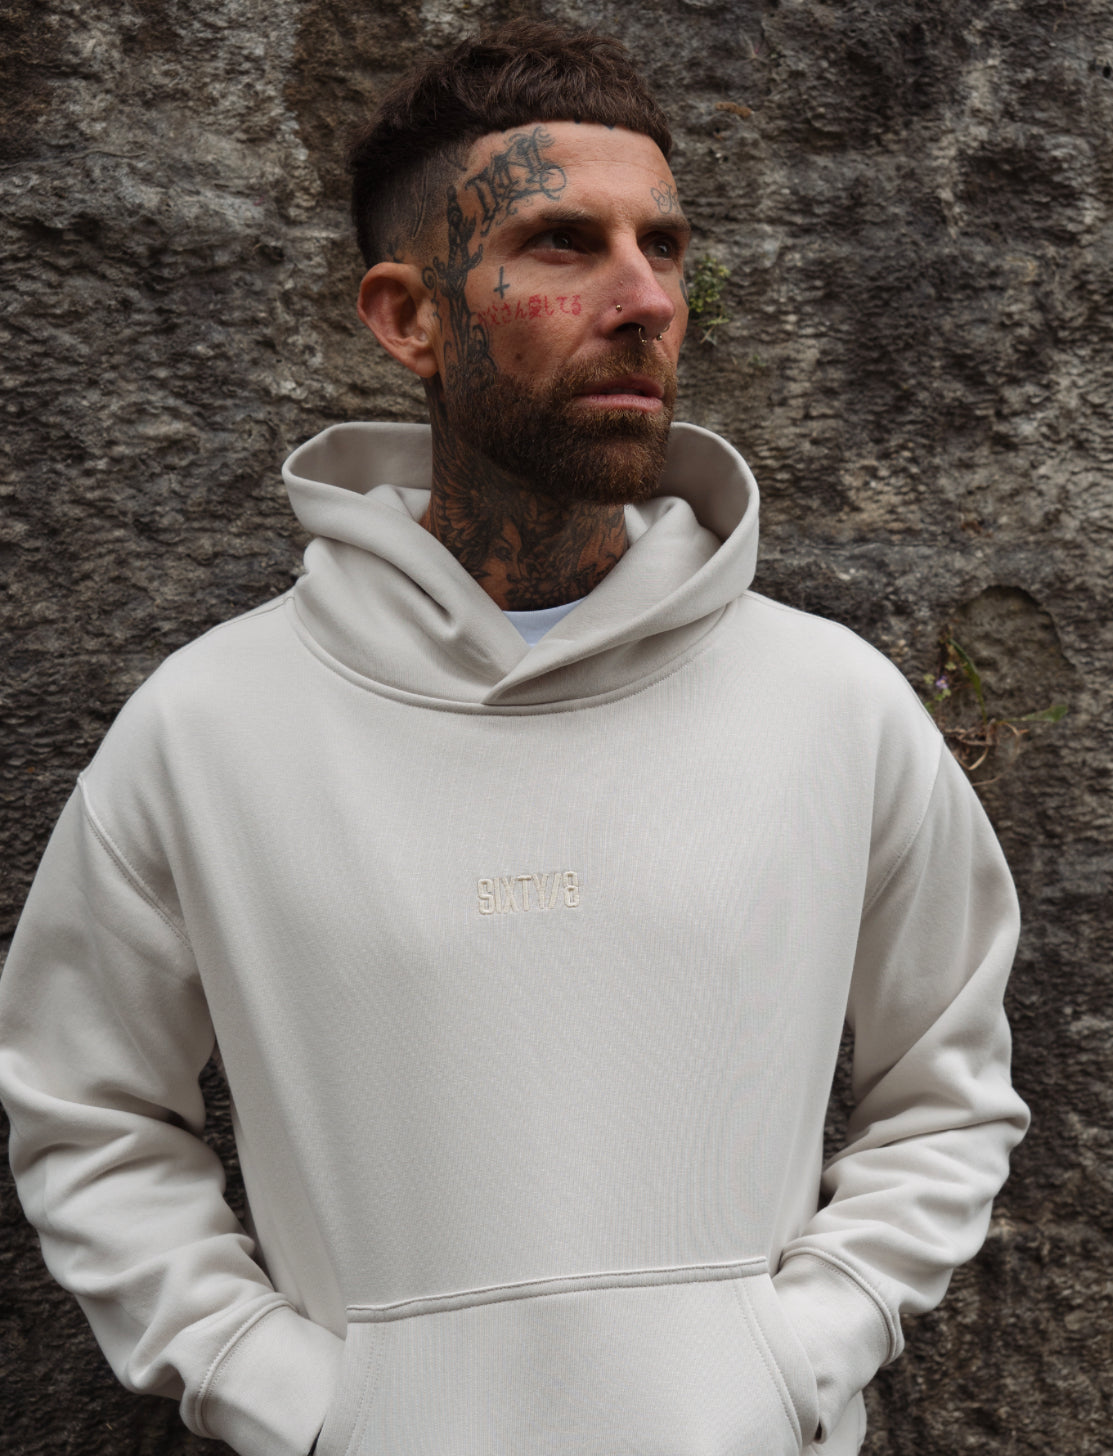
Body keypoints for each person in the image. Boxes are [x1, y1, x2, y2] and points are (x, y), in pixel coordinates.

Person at [0, 21, 1028, 1456]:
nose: (643, 298)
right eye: (561, 244)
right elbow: (84, 1113)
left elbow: (949, 1093)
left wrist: (798, 1354)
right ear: (407, 316)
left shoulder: (833, 703)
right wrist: (296, 1399)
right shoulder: (209, 727)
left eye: (663, 246)